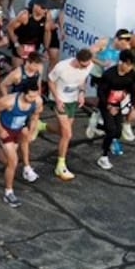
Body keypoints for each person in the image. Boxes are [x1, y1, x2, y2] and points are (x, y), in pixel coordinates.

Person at [0, 79, 42, 207]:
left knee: (24, 135)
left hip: (19, 128)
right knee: (12, 161)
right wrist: (0, 129)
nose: (32, 98)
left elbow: (35, 116)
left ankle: (27, 167)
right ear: (23, 93)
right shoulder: (9, 101)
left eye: (35, 95)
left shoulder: (37, 101)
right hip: (6, 130)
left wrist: (31, 130)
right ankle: (8, 193)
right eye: (30, 96)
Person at [47, 49, 95, 180]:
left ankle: (42, 126)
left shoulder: (89, 65)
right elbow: (50, 80)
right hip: (60, 100)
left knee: (61, 131)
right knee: (67, 134)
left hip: (72, 100)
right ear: (77, 60)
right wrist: (56, 98)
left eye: (88, 64)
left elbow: (82, 80)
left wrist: (81, 93)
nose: (86, 67)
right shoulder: (62, 67)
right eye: (83, 65)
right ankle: (60, 165)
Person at [93, 52, 135, 169]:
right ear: (121, 62)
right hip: (105, 104)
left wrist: (133, 108)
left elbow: (133, 91)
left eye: (132, 65)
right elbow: (101, 92)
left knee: (118, 131)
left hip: (118, 104)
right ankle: (103, 157)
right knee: (111, 130)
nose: (130, 68)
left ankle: (98, 125)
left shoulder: (132, 75)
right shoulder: (109, 75)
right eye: (128, 64)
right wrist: (109, 106)